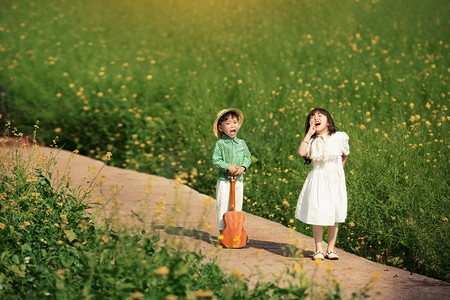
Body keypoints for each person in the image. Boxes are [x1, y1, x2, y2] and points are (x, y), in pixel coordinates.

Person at [295, 108, 350, 260]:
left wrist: (339, 171)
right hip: (318, 180)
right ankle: (318, 249)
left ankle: (331, 249)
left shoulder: (340, 137)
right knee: (317, 213)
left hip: (334, 181)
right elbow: (301, 152)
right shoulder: (311, 141)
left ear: (329, 121)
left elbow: (345, 154)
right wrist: (309, 134)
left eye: (320, 116)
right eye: (312, 116)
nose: (316, 118)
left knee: (334, 215)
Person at [212, 108, 251, 236]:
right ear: (221, 128)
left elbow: (247, 157)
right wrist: (227, 166)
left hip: (238, 180)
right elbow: (216, 160)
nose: (232, 125)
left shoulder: (242, 143)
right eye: (228, 123)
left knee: (237, 206)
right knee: (223, 204)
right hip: (224, 180)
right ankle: (223, 233)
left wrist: (243, 167)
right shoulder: (220, 144)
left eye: (235, 122)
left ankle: (236, 232)